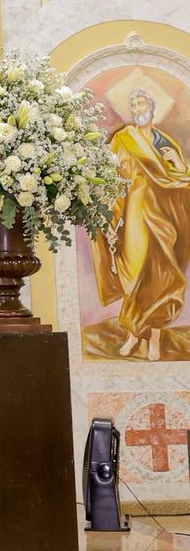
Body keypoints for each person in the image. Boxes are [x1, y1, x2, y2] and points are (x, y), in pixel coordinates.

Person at [92, 86, 190, 362]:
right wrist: (110, 217)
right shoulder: (124, 139)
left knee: (161, 276)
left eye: (141, 104)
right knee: (136, 273)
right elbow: (113, 181)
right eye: (133, 105)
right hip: (135, 215)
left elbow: (181, 185)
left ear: (152, 108)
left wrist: (180, 165)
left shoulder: (165, 143)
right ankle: (134, 335)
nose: (137, 110)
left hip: (164, 219)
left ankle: (154, 339)